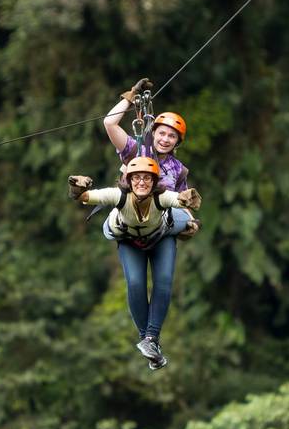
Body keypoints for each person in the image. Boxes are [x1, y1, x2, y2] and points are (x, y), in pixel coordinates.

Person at [69, 157, 202, 371]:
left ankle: (151, 338)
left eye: (147, 179)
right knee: (135, 283)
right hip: (129, 240)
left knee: (165, 281)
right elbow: (86, 197)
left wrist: (188, 199)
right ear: (129, 181)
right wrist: (77, 188)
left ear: (154, 182)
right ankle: (148, 342)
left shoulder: (161, 197)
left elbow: (181, 200)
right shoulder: (119, 195)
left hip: (160, 236)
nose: (142, 183)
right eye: (137, 178)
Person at [102, 78, 200, 240]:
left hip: (160, 228)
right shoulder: (136, 149)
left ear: (177, 142)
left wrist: (191, 222)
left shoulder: (177, 169)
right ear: (153, 133)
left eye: (172, 136)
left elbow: (183, 201)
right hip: (130, 224)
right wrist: (130, 97)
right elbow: (109, 123)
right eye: (162, 133)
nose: (165, 139)